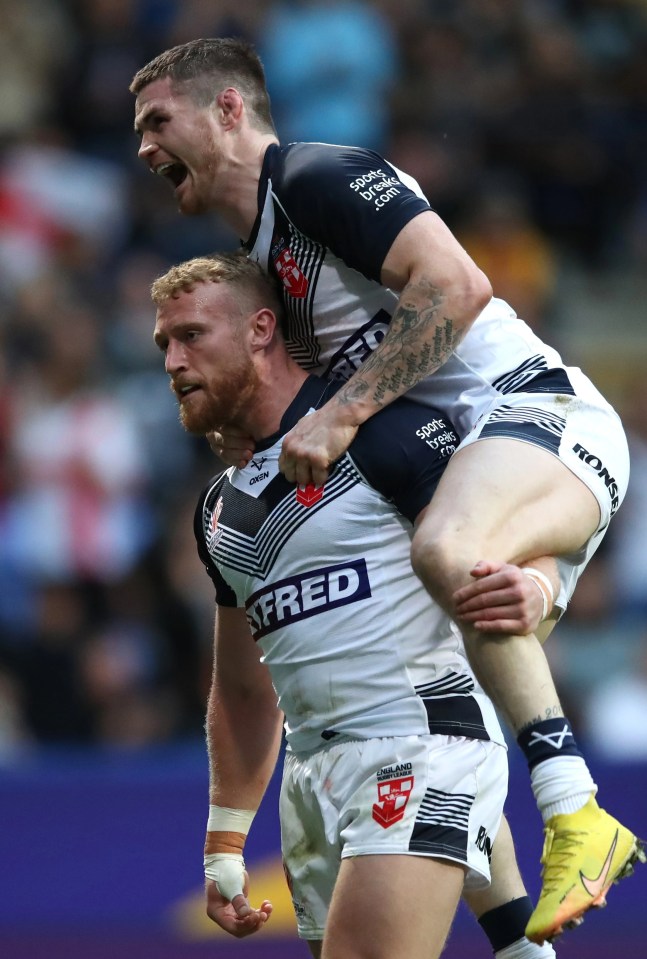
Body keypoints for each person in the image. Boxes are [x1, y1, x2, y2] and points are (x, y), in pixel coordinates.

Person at [131, 38, 645, 943]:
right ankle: (523, 929)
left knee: (446, 551)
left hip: (534, 411)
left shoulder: (321, 177)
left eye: (157, 120)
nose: (142, 146)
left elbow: (457, 283)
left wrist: (339, 417)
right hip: (478, 469)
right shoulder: (270, 261)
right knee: (475, 591)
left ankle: (574, 809)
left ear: (228, 111)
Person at [150, 251, 559, 959]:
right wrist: (224, 834)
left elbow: (526, 512)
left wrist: (542, 585)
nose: (172, 361)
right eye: (163, 344)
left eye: (191, 335)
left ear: (259, 328)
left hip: (419, 743)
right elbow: (246, 686)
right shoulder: (220, 507)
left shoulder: (382, 432)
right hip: (310, 780)